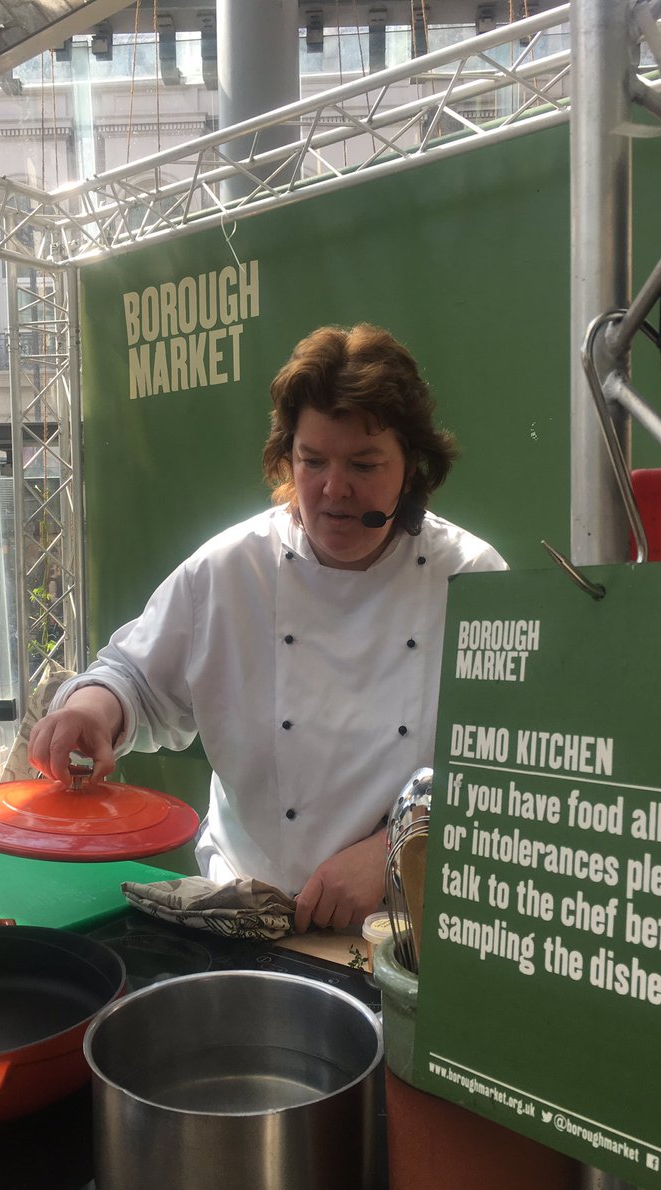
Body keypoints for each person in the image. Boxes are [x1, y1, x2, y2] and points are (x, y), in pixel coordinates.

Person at [29, 323, 508, 932]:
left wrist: (393, 852)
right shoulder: (232, 569)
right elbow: (133, 676)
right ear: (287, 457)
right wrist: (93, 711)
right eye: (312, 461)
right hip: (246, 913)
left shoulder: (473, 579)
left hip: (403, 930)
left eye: (364, 463)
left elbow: (509, 775)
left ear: (411, 468)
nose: (335, 489)